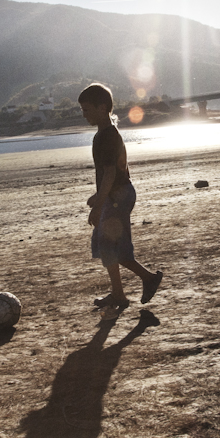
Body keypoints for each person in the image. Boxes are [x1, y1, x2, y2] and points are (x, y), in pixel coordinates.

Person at [78, 83, 163, 320]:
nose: (83, 114)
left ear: (102, 107)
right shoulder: (106, 134)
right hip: (117, 195)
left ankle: (149, 278)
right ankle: (118, 294)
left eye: (86, 109)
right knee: (107, 247)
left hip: (118, 198)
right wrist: (99, 196)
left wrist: (99, 204)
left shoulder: (107, 136)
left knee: (117, 249)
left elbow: (110, 174)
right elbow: (118, 169)